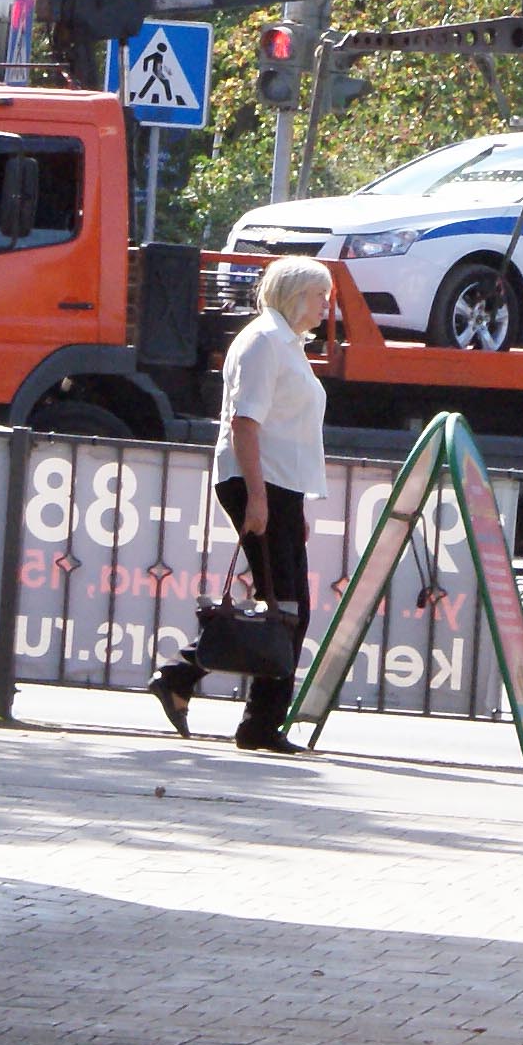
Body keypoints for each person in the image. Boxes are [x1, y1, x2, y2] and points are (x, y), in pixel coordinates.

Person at [151, 254, 333, 755]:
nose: (326, 305)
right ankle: (250, 719)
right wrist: (258, 497)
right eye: (320, 294)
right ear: (295, 293)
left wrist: (289, 504)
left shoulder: (285, 342)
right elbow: (245, 423)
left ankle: (188, 679)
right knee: (288, 607)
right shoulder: (265, 341)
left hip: (279, 486)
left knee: (287, 605)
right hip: (260, 482)